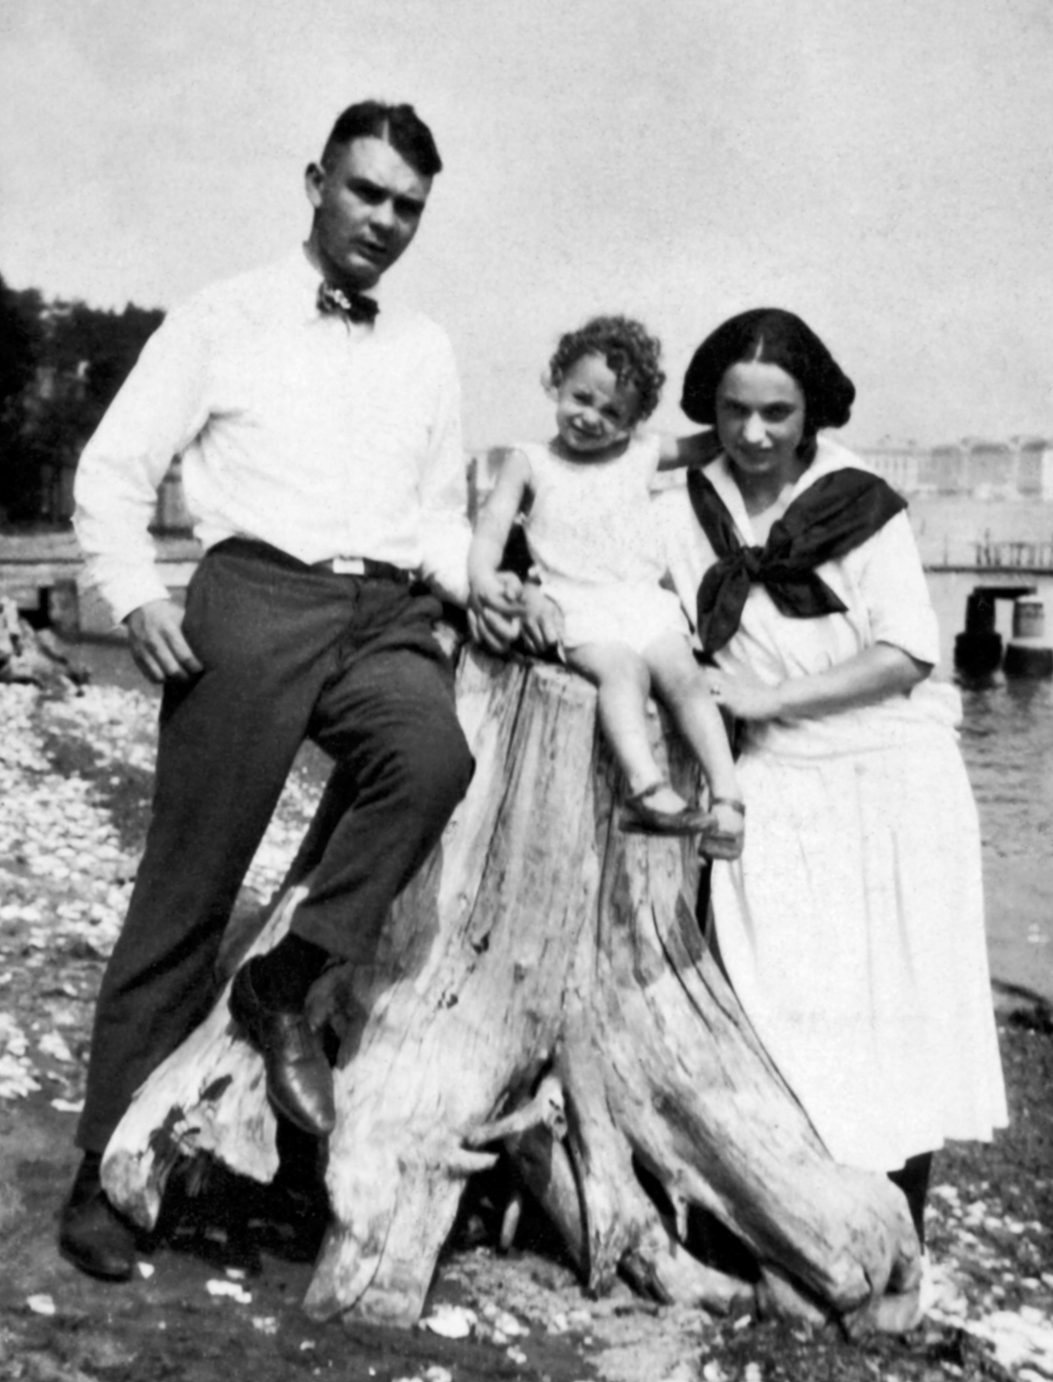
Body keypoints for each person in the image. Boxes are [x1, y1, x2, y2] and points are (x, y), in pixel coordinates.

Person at [61, 100, 516, 1282]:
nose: (385, 221)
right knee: (185, 892)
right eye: (367, 193)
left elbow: (435, 516)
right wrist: (135, 595)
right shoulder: (224, 315)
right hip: (252, 599)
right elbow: (113, 471)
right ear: (317, 182)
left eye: (408, 206)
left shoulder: (425, 346)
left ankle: (288, 977)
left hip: (384, 613)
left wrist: (482, 587)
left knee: (432, 762)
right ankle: (109, 1177)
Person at [667, 307, 1008, 1244]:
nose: (755, 434)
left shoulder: (858, 499)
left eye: (778, 412)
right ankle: (783, 1229)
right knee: (780, 1003)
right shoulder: (688, 505)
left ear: (811, 410)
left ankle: (893, 1240)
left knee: (890, 1013)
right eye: (733, 411)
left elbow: (906, 651)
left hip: (891, 778)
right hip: (780, 780)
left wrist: (769, 699)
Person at [469, 315, 744, 845]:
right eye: (581, 398)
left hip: (641, 599)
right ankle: (646, 787)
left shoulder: (640, 454)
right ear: (557, 382)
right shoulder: (529, 461)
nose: (591, 418)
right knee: (623, 673)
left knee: (684, 676)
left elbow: (706, 445)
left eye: (613, 412)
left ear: (635, 421)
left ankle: (728, 797)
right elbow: (493, 525)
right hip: (576, 603)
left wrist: (739, 414)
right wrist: (483, 573)